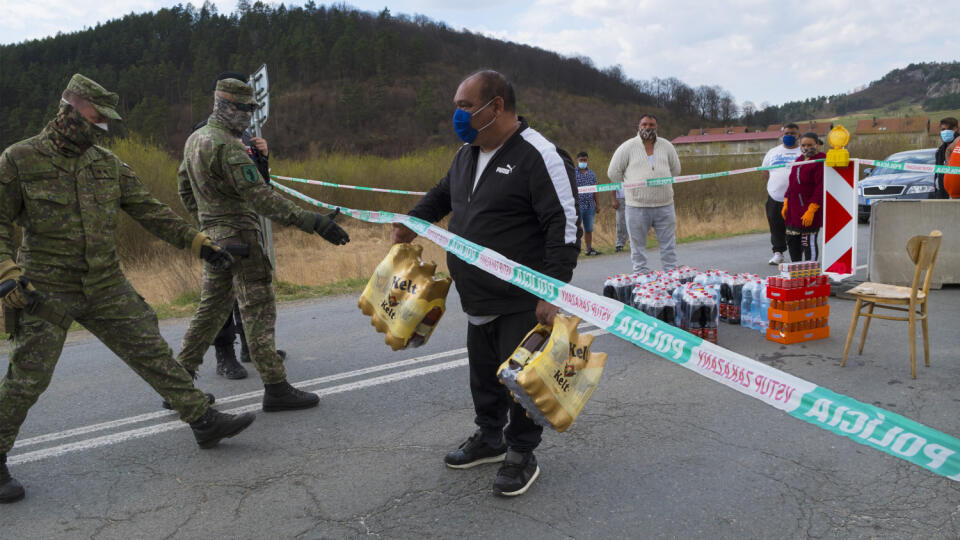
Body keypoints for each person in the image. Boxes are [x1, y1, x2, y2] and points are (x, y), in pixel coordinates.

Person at [0, 74, 257, 503]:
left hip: (105, 283)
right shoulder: (20, 159)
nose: (102, 126)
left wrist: (199, 243)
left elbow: (151, 212)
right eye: (96, 116)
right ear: (70, 106)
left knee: (150, 349)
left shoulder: (106, 164)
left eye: (106, 119)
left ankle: (202, 420)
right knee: (28, 378)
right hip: (44, 287)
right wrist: (5, 271)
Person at [392, 70, 579, 497]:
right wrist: (412, 222)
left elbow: (563, 226)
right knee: (484, 375)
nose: (457, 115)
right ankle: (490, 437)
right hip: (476, 294)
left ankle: (521, 452)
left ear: (495, 106)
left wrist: (552, 290)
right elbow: (444, 194)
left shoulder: (539, 155)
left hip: (521, 299)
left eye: (464, 105)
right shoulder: (467, 152)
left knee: (522, 380)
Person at [175, 78, 350, 413]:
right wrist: (313, 221)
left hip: (213, 240)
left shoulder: (195, 140)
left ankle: (177, 383)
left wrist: (206, 223)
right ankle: (276, 386)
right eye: (246, 109)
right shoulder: (229, 147)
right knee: (257, 308)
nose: (250, 117)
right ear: (229, 107)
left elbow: (184, 187)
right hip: (240, 238)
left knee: (210, 310)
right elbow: (263, 199)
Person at [181, 71, 287, 381]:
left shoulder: (243, 136)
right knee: (218, 303)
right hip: (221, 232)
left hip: (246, 227)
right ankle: (225, 356)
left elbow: (260, 187)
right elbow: (187, 187)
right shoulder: (204, 134)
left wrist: (263, 157)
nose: (246, 112)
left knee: (249, 294)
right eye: (242, 104)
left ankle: (253, 349)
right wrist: (208, 221)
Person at [607, 114, 682, 273]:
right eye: (645, 124)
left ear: (657, 127)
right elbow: (613, 173)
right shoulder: (627, 147)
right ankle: (641, 278)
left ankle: (671, 276)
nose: (648, 127)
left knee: (669, 245)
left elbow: (676, 169)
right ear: (639, 127)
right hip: (637, 206)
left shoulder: (667, 146)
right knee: (637, 246)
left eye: (652, 125)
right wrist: (631, 184)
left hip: (665, 205)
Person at [760, 123, 802, 265]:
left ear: (798, 135)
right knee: (776, 226)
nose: (789, 136)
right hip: (775, 197)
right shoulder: (773, 152)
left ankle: (796, 257)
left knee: (794, 228)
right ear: (782, 135)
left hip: (796, 199)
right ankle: (778, 254)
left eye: (792, 133)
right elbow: (765, 171)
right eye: (786, 133)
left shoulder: (803, 152)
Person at [781, 132, 825, 262]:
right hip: (793, 210)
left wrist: (811, 210)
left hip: (808, 209)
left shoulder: (821, 159)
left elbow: (820, 187)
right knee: (792, 243)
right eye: (803, 145)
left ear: (817, 144)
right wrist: (786, 202)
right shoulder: (799, 159)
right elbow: (792, 183)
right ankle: (796, 273)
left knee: (808, 244)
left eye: (810, 145)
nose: (806, 148)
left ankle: (810, 275)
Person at [575, 151, 600, 256]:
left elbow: (595, 190)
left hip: (590, 205)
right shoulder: (572, 173)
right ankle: (575, 250)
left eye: (585, 160)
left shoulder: (592, 174)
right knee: (576, 229)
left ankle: (589, 249)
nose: (583, 162)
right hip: (577, 205)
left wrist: (597, 204)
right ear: (577, 160)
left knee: (589, 228)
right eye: (581, 160)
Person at [934, 117, 958, 199]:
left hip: (956, 193)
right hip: (942, 193)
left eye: (948, 129)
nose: (945, 132)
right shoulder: (940, 151)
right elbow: (937, 173)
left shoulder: (958, 146)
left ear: (956, 129)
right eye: (942, 130)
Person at [611, 186, 627, 252]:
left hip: (632, 197)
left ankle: (634, 242)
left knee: (634, 221)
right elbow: (612, 185)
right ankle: (620, 244)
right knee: (620, 222)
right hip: (620, 198)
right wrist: (614, 200)